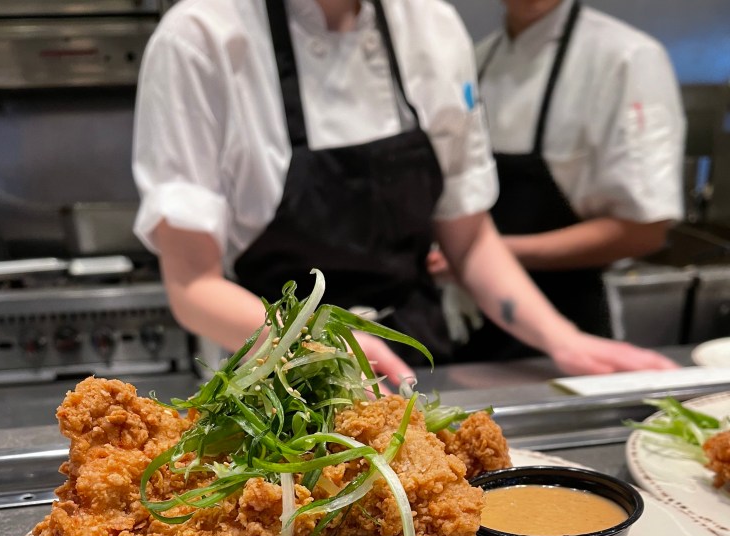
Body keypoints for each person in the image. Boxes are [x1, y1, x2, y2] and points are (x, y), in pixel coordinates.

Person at [132, 0, 677, 385]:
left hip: (413, 366)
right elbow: (193, 283)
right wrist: (321, 350)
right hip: (269, 376)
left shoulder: (431, 25)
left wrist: (562, 339)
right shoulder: (201, 37)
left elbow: (469, 239)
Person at [468, 0, 686, 357]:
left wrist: (480, 254)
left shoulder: (626, 57)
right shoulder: (478, 60)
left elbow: (645, 230)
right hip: (472, 322)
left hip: (573, 317)